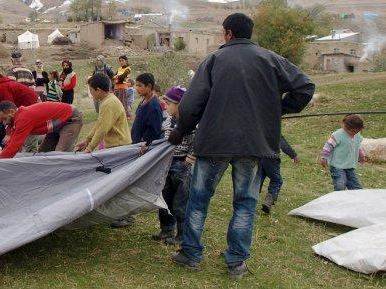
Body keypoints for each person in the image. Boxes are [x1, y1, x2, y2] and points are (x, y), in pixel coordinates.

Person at [168, 13, 315, 279]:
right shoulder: (271, 59)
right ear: (249, 33)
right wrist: (278, 109)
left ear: (228, 33)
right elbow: (305, 86)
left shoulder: (215, 59)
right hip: (253, 145)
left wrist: (181, 129)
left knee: (199, 200)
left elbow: (191, 102)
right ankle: (236, 263)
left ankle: (190, 254)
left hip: (214, 143)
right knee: (245, 204)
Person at [149, 86, 195, 245]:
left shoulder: (190, 124)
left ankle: (181, 234)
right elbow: (164, 142)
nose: (166, 106)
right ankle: (167, 228)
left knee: (180, 202)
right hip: (167, 165)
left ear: (180, 104)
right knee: (164, 197)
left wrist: (187, 163)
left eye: (169, 103)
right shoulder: (168, 121)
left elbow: (195, 145)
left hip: (181, 166)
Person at [0, 101, 83, 159]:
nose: (4, 123)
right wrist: (0, 158)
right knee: (42, 155)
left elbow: (15, 146)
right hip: (57, 123)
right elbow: (11, 142)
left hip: (70, 118)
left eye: (4, 119)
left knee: (60, 156)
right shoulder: (17, 119)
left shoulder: (23, 118)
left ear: (12, 112)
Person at [74, 73, 131, 153]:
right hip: (116, 146)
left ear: (98, 90)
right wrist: (87, 140)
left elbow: (102, 129)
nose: (90, 93)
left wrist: (90, 148)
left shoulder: (109, 104)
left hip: (119, 147)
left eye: (91, 90)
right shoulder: (107, 100)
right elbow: (99, 123)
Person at [320, 114, 366, 192]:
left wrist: (361, 155)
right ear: (345, 126)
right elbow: (328, 146)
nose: (354, 133)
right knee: (340, 184)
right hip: (337, 166)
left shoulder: (357, 135)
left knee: (356, 187)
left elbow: (358, 145)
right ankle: (338, 200)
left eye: (357, 131)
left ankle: (357, 201)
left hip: (350, 166)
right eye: (352, 131)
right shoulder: (337, 135)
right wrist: (324, 157)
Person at [259, 135, 299, 214]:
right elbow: (283, 144)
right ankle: (268, 201)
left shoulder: (258, 128)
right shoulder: (274, 130)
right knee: (276, 180)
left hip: (258, 157)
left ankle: (248, 198)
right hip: (271, 158)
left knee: (258, 179)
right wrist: (293, 155)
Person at [130, 74, 164, 146]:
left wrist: (146, 143)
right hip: (135, 144)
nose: (137, 88)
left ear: (149, 86)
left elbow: (156, 131)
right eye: (136, 85)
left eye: (140, 85)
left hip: (143, 148)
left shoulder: (154, 107)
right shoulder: (143, 101)